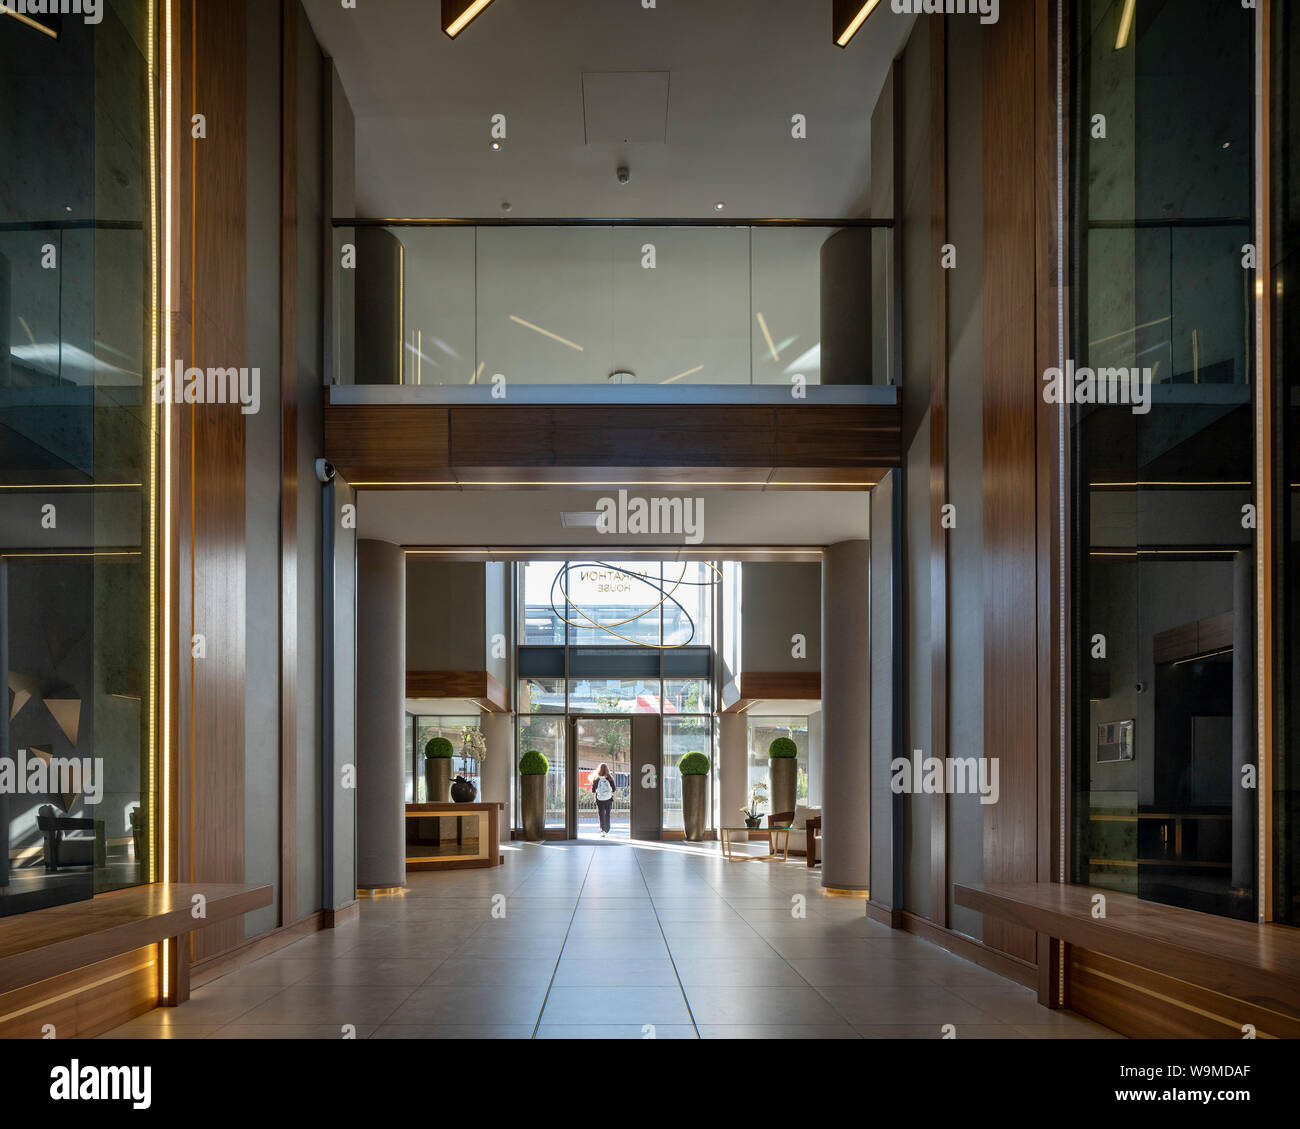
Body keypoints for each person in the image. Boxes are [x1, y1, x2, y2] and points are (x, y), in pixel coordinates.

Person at [591, 762, 615, 837]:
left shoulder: (596, 778)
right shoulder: (610, 778)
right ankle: (607, 829)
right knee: (607, 814)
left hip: (599, 800)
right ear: (607, 769)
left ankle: (603, 830)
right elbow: (614, 789)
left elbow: (593, 790)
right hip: (608, 799)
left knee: (601, 814)